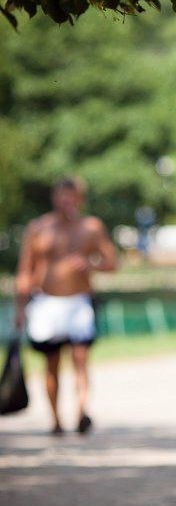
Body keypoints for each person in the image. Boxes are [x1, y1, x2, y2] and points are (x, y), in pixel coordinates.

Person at [14, 177, 118, 435]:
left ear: (80, 200)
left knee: (80, 359)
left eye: (71, 197)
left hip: (79, 301)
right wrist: (20, 307)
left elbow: (112, 263)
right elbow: (25, 270)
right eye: (62, 196)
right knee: (51, 363)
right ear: (54, 197)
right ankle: (56, 420)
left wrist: (91, 264)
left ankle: (81, 411)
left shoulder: (91, 227)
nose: (66, 202)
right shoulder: (39, 228)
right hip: (46, 302)